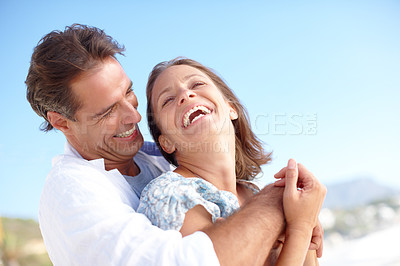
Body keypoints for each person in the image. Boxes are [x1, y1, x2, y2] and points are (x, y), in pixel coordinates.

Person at [25, 24, 322, 265]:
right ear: (61, 122)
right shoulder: (71, 193)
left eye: (128, 93)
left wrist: (300, 221)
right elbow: (184, 261)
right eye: (107, 111)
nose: (134, 116)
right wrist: (283, 210)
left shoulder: (152, 157)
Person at [138, 58, 326, 265]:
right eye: (167, 100)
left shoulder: (256, 192)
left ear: (231, 108)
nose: (185, 95)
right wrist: (300, 227)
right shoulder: (167, 195)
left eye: (197, 84)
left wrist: (304, 212)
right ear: (166, 142)